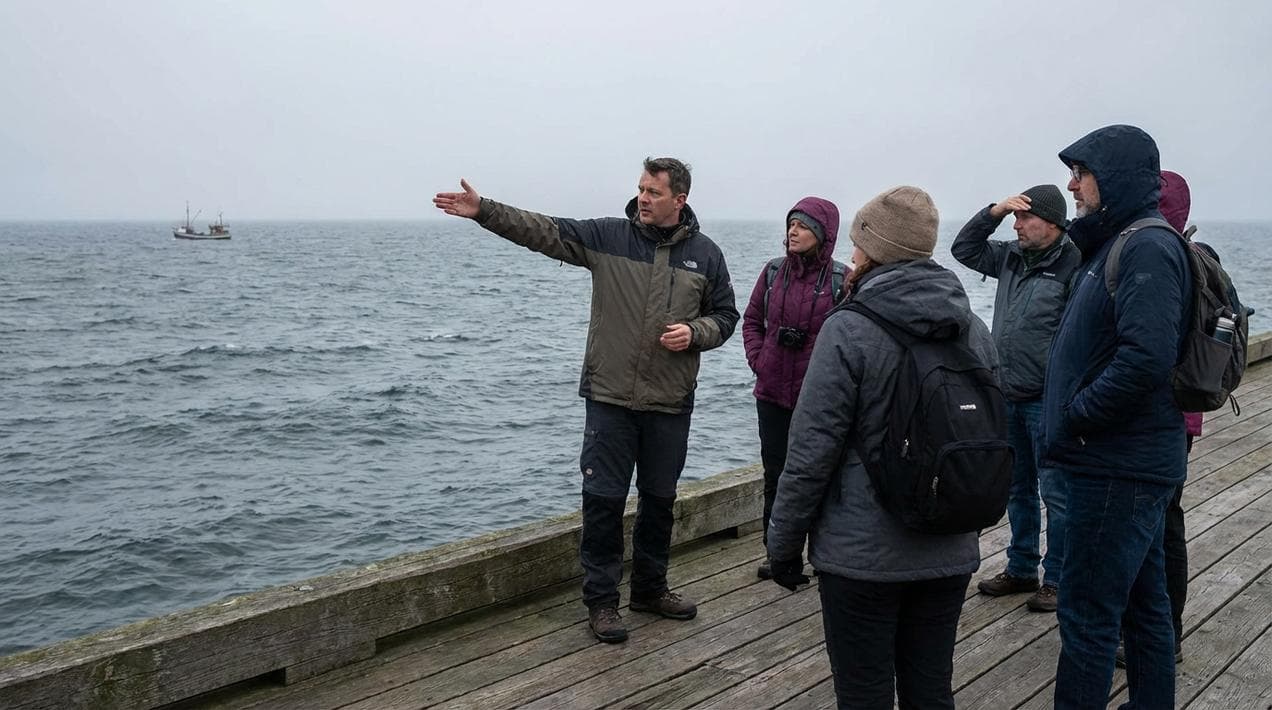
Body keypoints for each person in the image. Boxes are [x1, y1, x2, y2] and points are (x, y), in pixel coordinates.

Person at [432, 158, 739, 644]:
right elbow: (542, 230)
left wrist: (695, 332)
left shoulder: (706, 255)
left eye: (654, 192)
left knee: (660, 501)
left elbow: (725, 316)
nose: (643, 198)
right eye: (641, 188)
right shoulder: (608, 236)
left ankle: (650, 590)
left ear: (679, 199)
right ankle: (601, 603)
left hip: (669, 401)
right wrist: (483, 210)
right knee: (603, 502)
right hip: (610, 397)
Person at [766, 186, 996, 709]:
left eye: (858, 244)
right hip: (949, 543)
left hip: (861, 555)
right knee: (930, 688)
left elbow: (810, 451)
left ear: (875, 250)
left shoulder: (848, 328)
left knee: (864, 692)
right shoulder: (972, 328)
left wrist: (783, 543)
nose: (852, 255)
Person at [1041, 126, 1191, 708]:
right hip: (1127, 461)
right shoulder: (1120, 240)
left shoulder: (1146, 246)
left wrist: (1077, 416)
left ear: (1116, 176)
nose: (1072, 186)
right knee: (1144, 606)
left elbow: (1146, 357)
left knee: (1087, 615)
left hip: (1114, 464)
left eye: (1081, 173)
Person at [951, 184, 1080, 613]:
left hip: (1048, 399)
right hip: (1005, 393)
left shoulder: (1074, 262)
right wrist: (995, 211)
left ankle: (1057, 578)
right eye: (1015, 218)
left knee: (1057, 493)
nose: (1017, 225)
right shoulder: (1009, 255)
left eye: (1025, 218)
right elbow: (964, 248)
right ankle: (1021, 567)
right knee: (1016, 487)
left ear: (1053, 223)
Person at [1115, 169, 1199, 668]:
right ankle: (1167, 632)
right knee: (1167, 523)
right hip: (1183, 415)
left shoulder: (1154, 258)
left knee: (1152, 529)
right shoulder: (1193, 254)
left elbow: (1146, 352)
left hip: (1154, 418)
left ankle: (1158, 635)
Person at [742, 197, 846, 580]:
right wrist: (760, 361)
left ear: (822, 233)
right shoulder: (773, 272)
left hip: (817, 399)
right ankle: (778, 555)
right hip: (772, 394)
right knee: (775, 475)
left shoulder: (842, 280)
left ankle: (824, 554)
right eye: (791, 224)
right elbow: (752, 321)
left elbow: (850, 337)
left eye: (802, 226)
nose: (793, 232)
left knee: (823, 475)